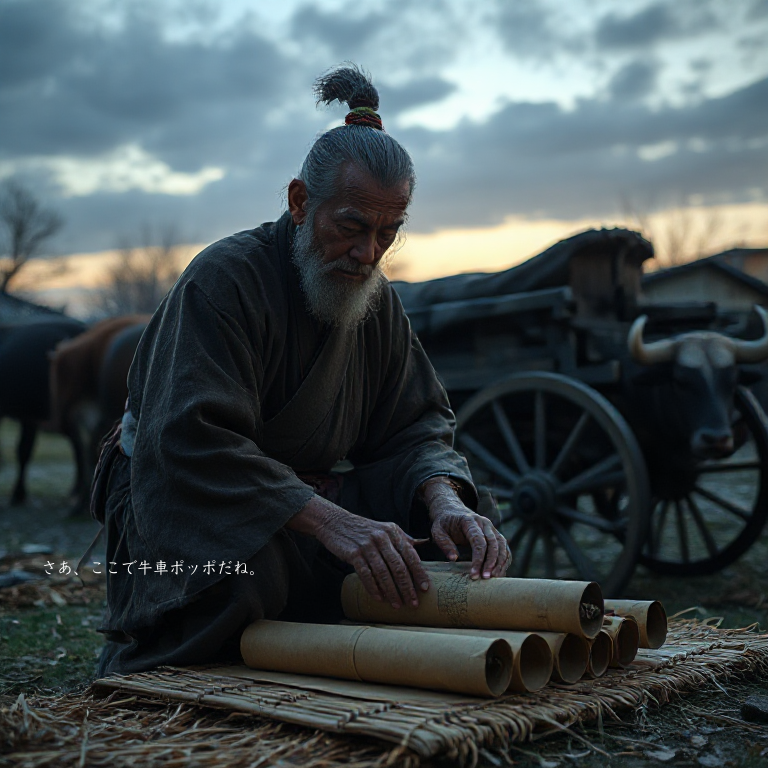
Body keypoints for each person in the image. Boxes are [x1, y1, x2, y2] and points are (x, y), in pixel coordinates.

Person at [92, 64, 511, 677]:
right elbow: (189, 442)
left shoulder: (377, 300)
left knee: (460, 533)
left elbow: (416, 426)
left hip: (310, 500)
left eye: (387, 234)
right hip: (196, 498)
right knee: (247, 565)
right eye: (351, 227)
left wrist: (443, 498)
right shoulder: (224, 280)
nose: (368, 254)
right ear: (299, 202)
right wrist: (332, 522)